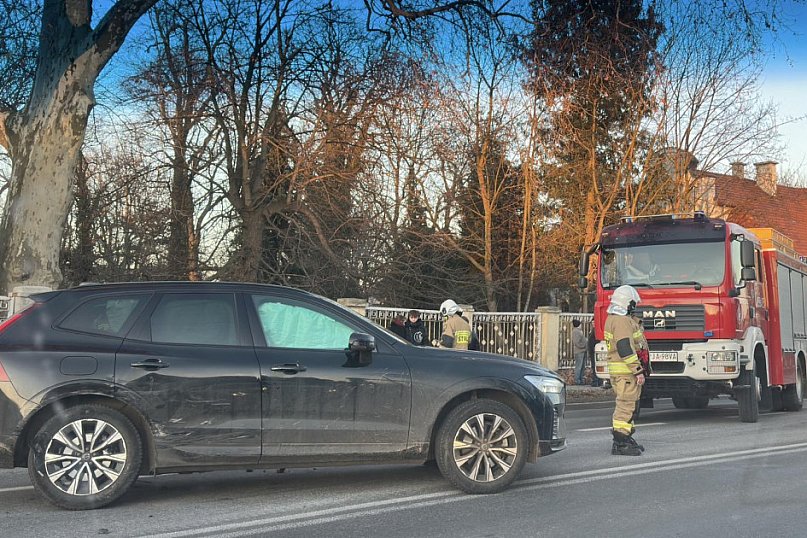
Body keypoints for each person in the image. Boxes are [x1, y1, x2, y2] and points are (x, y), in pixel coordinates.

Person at [604, 284, 648, 456]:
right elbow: (624, 348)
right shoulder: (622, 322)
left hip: (621, 372)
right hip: (626, 373)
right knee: (625, 405)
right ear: (628, 304)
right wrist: (637, 370)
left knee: (629, 405)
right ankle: (620, 442)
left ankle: (626, 437)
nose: (635, 307)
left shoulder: (614, 318)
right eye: (633, 304)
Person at [572, 319, 587, 385]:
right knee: (579, 366)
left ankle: (580, 379)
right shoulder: (576, 331)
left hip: (582, 351)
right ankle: (577, 380)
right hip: (579, 351)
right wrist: (583, 345)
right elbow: (576, 342)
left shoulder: (579, 331)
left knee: (582, 366)